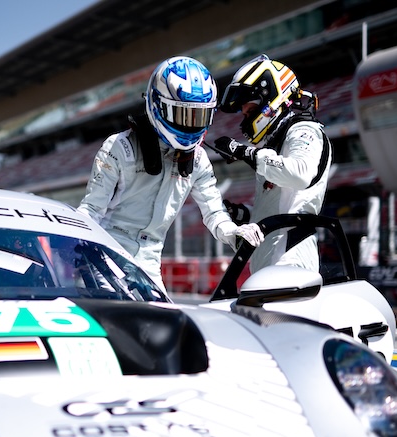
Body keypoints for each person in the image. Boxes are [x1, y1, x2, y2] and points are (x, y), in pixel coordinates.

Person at [77, 56, 263, 291]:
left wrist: (234, 232)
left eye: (199, 116)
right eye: (184, 115)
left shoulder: (198, 159)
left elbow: (214, 213)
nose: (191, 125)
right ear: (158, 104)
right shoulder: (120, 147)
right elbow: (90, 211)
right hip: (105, 255)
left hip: (150, 262)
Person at [210, 54, 332, 275]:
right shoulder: (279, 140)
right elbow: (279, 209)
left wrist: (242, 151)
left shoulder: (305, 130)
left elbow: (300, 174)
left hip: (290, 261)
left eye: (250, 111)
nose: (245, 120)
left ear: (271, 98)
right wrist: (240, 214)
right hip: (270, 263)